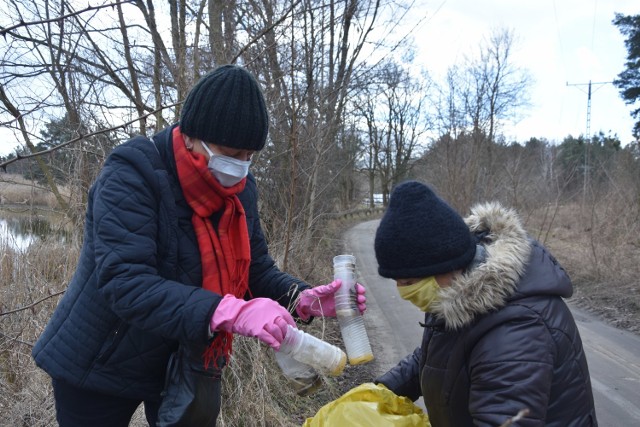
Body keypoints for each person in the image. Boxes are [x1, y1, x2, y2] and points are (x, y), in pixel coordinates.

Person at [32, 65, 365, 427]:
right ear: (191, 136)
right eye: (230, 152)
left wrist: (302, 299)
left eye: (249, 155)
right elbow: (125, 282)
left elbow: (254, 269)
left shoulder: (241, 192)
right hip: (102, 358)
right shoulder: (132, 173)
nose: (240, 166)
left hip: (184, 359)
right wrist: (232, 312)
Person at [373, 180, 597, 426]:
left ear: (445, 266)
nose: (403, 292)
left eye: (410, 281)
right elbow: (441, 358)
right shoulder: (456, 291)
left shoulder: (516, 332)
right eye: (397, 281)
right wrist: (379, 391)